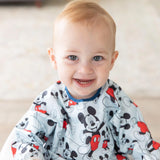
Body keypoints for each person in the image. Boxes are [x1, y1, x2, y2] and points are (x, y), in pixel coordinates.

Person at [2, 0, 160, 159]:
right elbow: (23, 139)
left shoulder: (116, 100)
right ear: (54, 59)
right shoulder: (49, 101)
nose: (85, 69)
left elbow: (140, 140)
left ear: (112, 60)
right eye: (72, 57)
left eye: (97, 58)